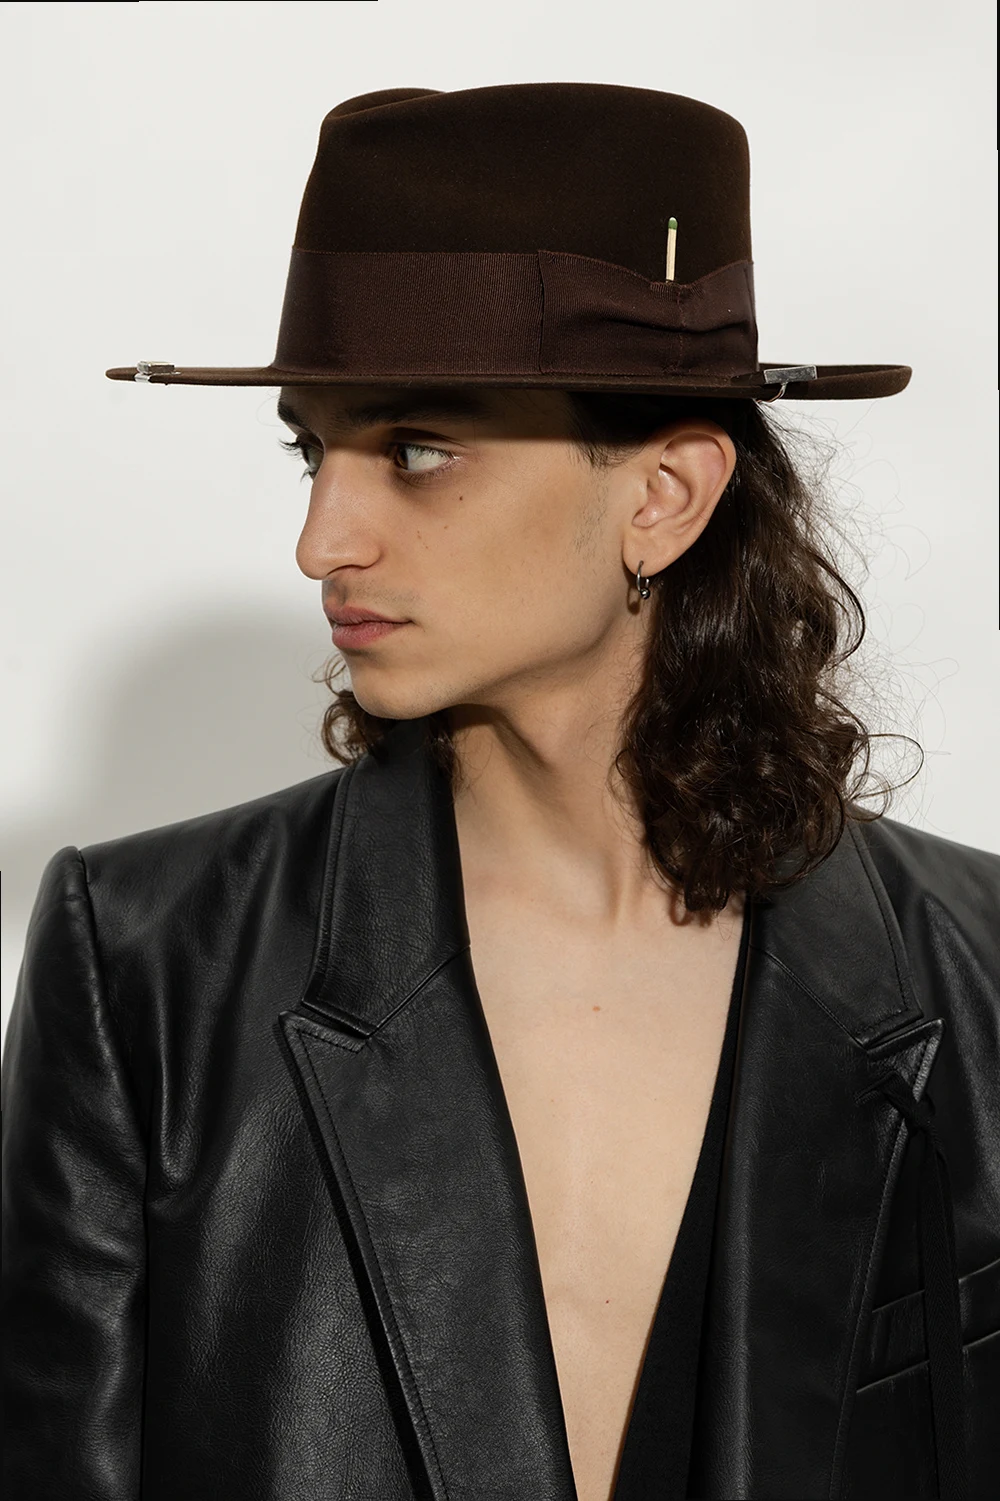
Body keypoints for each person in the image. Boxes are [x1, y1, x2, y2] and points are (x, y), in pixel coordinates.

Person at [3, 82, 998, 1501]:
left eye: (418, 450)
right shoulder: (145, 961)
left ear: (664, 494)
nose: (320, 541)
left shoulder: (976, 968)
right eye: (313, 450)